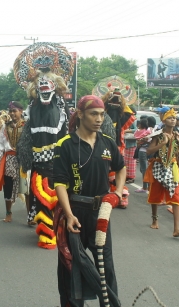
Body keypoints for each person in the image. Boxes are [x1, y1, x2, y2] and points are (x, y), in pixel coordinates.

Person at [53, 95, 126, 307]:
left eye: (102, 114)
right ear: (80, 114)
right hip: (74, 212)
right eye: (94, 114)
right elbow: (60, 184)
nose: (99, 119)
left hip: (101, 214)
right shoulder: (65, 145)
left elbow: (120, 168)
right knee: (71, 266)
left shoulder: (107, 142)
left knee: (106, 267)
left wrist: (118, 193)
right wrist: (68, 215)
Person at [144, 108, 179, 237]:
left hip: (172, 168)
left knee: (175, 196)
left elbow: (177, 153)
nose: (173, 119)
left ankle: (176, 229)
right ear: (163, 120)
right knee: (155, 196)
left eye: (174, 117)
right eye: (170, 118)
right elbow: (149, 151)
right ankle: (154, 219)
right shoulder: (158, 135)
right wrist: (162, 143)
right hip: (158, 166)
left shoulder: (177, 135)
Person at [0, 102, 26, 222]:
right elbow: (0, 143)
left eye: (14, 111)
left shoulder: (27, 126)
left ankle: (30, 215)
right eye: (10, 111)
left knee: (27, 187)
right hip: (9, 159)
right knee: (8, 186)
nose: (12, 113)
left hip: (24, 160)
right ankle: (8, 212)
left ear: (21, 111)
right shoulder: (5, 127)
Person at [134, 117, 151, 193]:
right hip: (150, 151)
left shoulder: (139, 131)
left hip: (142, 151)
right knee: (147, 169)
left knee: (144, 169)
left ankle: (145, 187)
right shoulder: (150, 131)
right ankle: (149, 186)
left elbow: (135, 137)